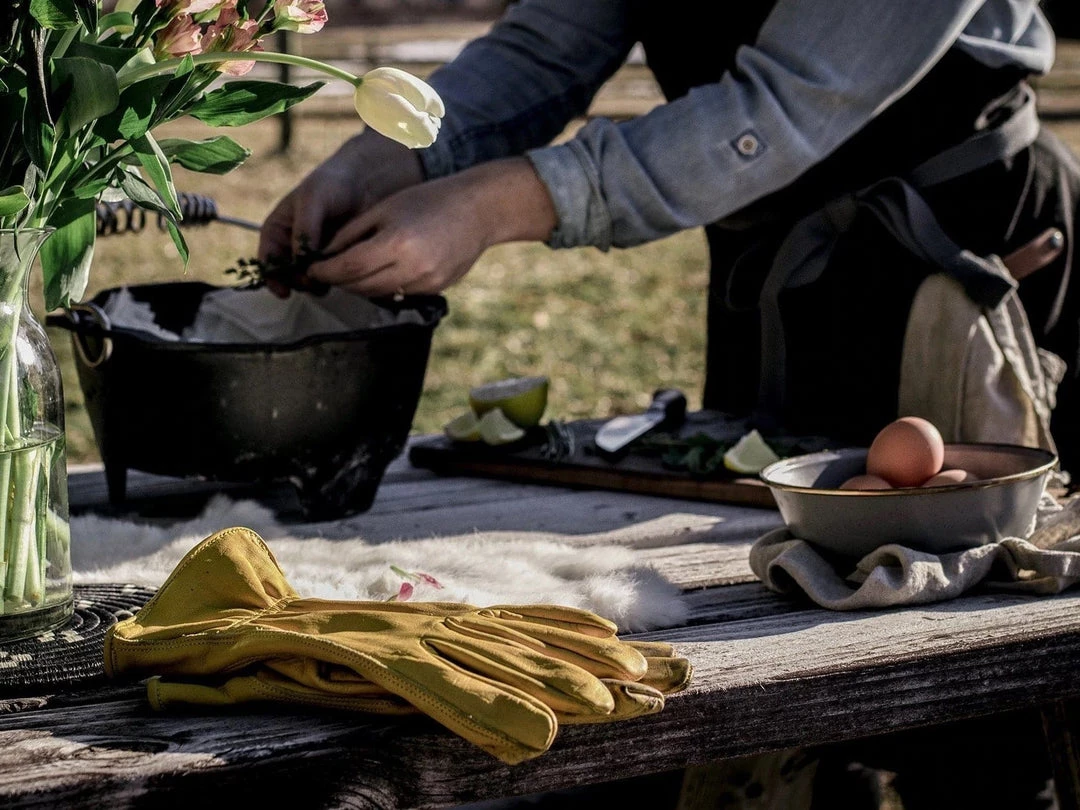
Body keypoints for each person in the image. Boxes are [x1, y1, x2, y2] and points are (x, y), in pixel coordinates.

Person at [260, 1, 1075, 807]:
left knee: (975, 685)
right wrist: (383, 158)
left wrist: (487, 205)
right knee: (790, 631)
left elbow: (795, 100)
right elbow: (549, 45)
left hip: (965, 263)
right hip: (780, 270)